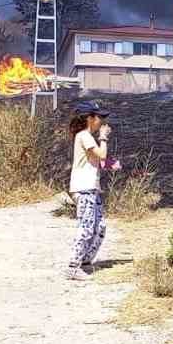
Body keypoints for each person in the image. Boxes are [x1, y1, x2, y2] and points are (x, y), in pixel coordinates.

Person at [63, 101, 111, 281]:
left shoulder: (86, 137)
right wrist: (104, 137)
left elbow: (99, 160)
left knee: (99, 227)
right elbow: (102, 155)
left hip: (92, 188)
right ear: (90, 119)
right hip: (84, 189)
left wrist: (117, 165)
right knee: (86, 227)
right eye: (99, 117)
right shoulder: (84, 135)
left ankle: (84, 261)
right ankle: (73, 266)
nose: (102, 122)